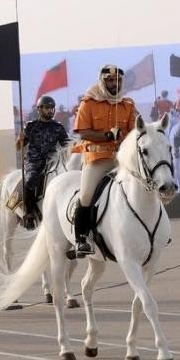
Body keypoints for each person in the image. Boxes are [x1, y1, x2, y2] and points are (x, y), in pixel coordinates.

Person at [72, 65, 137, 256]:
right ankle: (81, 239)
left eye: (118, 80)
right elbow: (83, 132)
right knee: (86, 196)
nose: (115, 84)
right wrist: (107, 135)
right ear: (102, 81)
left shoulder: (128, 104)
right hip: (97, 160)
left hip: (121, 160)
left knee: (145, 183)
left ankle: (157, 230)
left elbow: (135, 131)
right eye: (110, 80)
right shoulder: (89, 102)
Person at [16, 95, 69, 229]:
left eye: (52, 108)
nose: (50, 110)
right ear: (39, 109)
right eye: (47, 108)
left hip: (51, 161)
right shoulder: (31, 126)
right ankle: (29, 214)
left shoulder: (58, 127)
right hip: (33, 162)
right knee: (30, 180)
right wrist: (19, 139)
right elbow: (18, 147)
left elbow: (66, 146)